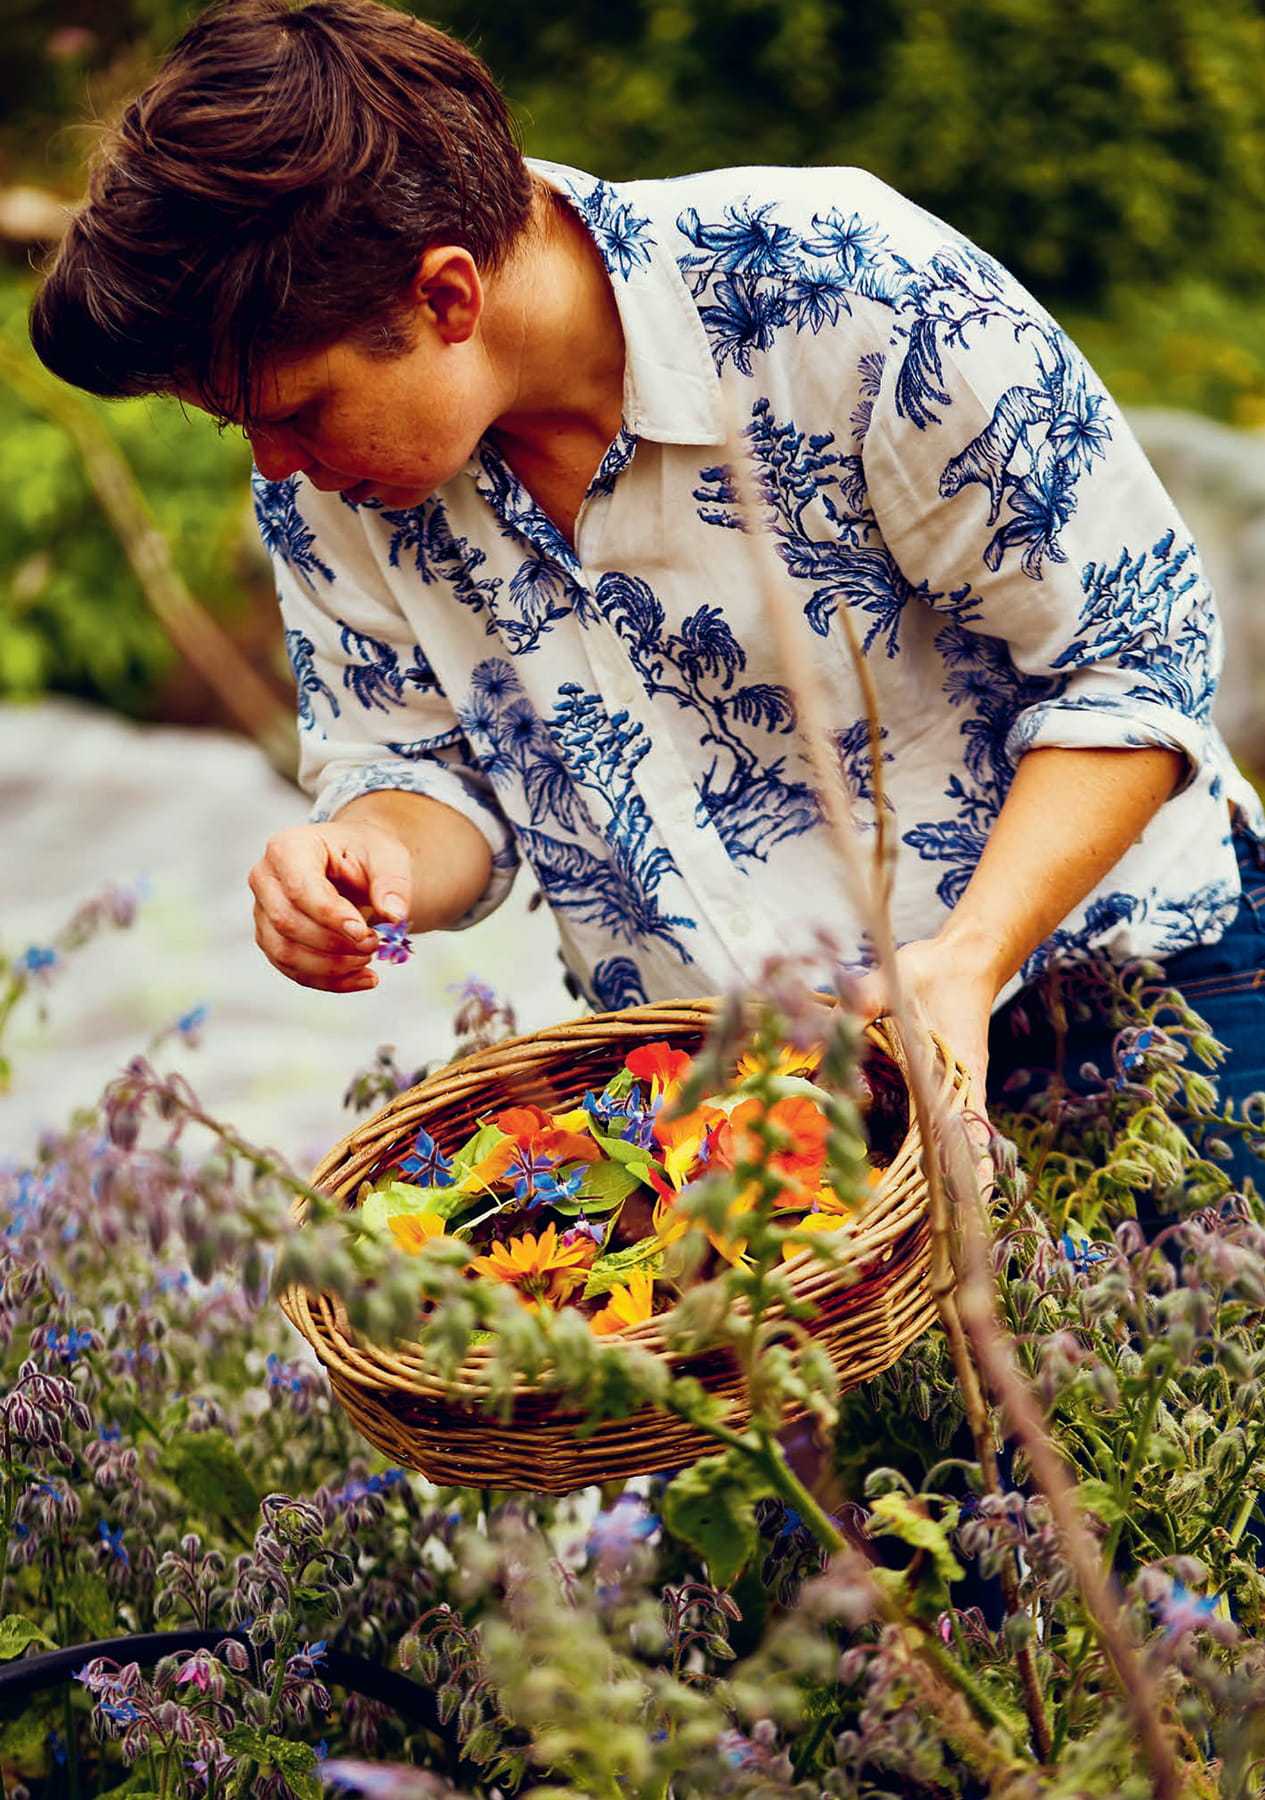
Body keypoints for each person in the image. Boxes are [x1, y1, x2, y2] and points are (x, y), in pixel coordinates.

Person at [28, 0, 1265, 1153]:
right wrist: (367, 859)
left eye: (296, 412)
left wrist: (969, 957)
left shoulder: (847, 293)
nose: (277, 467)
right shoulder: (329, 480)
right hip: (746, 1101)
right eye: (241, 429)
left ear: (445, 294)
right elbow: (416, 765)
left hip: (1133, 1001)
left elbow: (1133, 660)